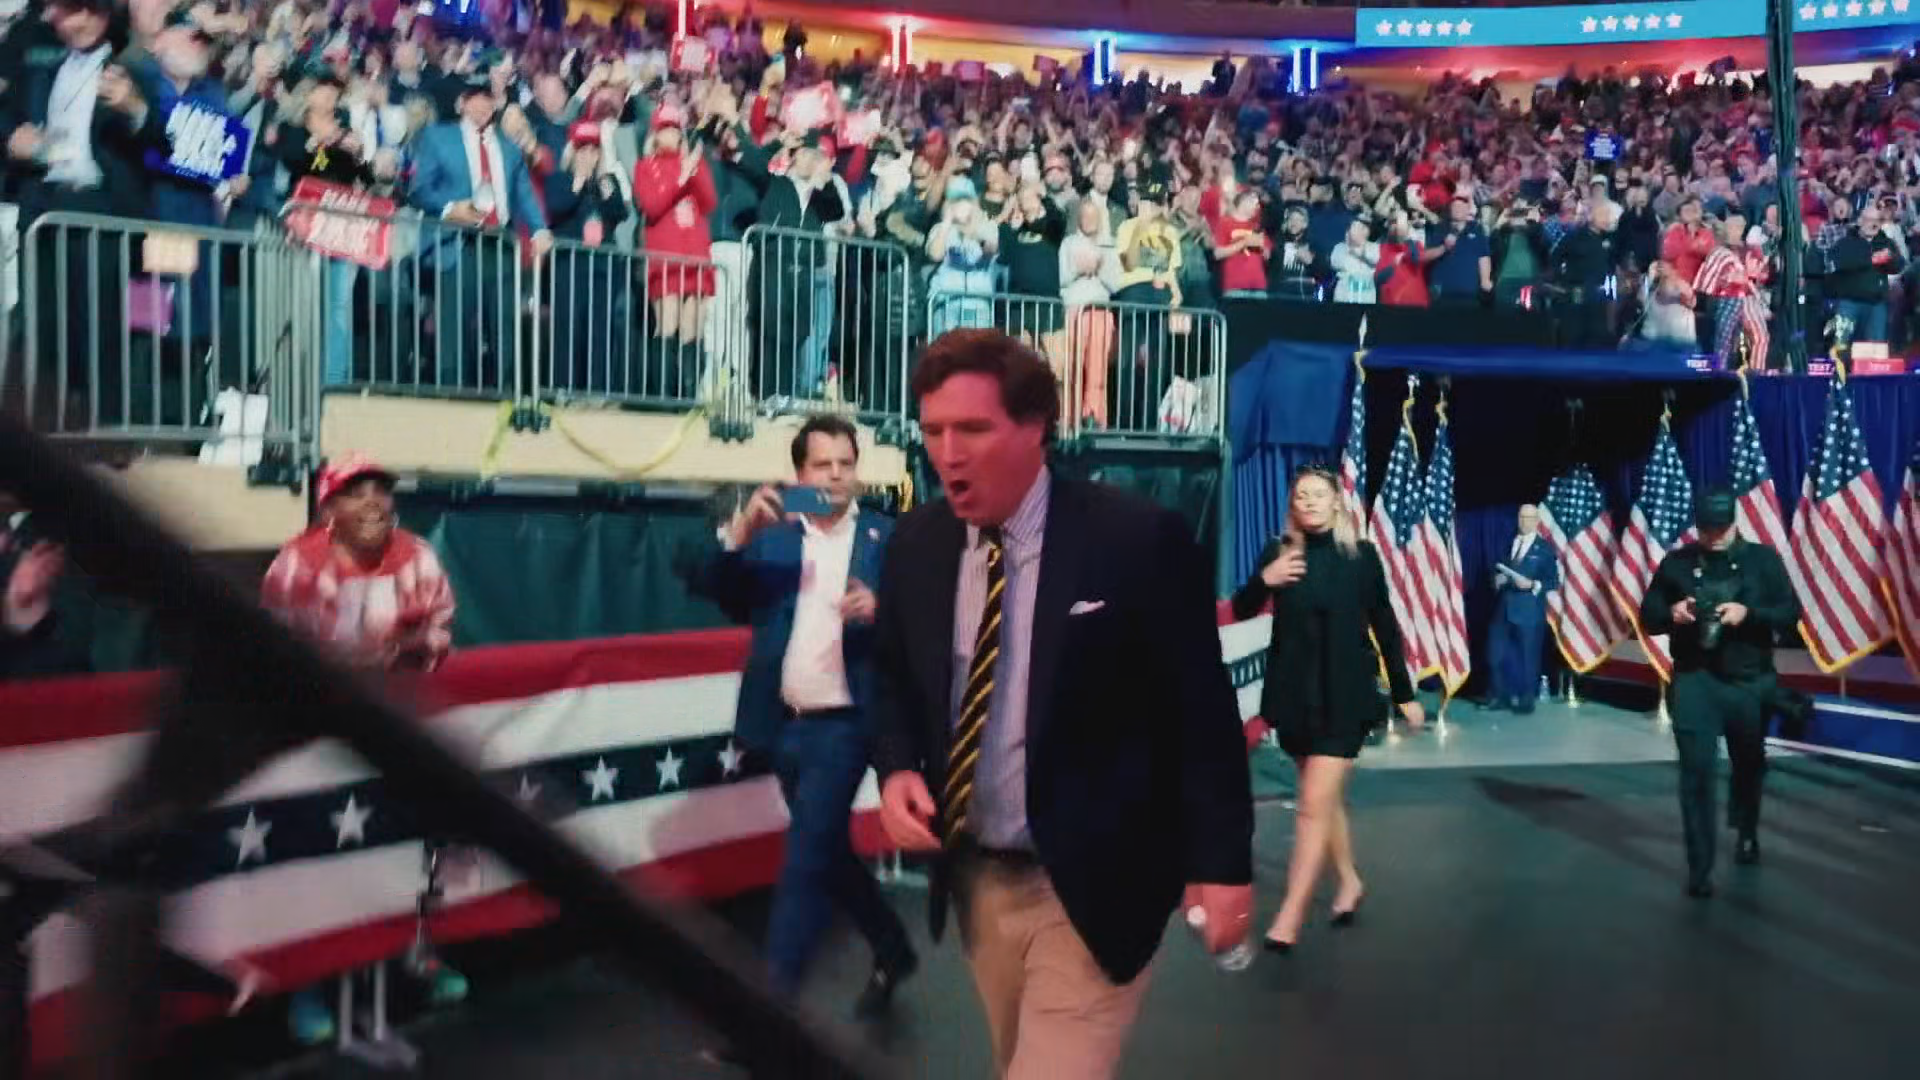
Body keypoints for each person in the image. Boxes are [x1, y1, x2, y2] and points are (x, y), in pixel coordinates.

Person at [871, 329, 1253, 1079]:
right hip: (980, 882)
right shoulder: (916, 546)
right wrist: (896, 768)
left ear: (1037, 427)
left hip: (1097, 884)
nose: (948, 453)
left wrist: (1224, 864)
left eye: (973, 428)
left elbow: (1201, 715)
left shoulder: (1137, 540)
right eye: (934, 431)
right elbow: (890, 677)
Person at [688, 415, 918, 1013]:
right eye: (823, 465)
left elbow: (931, 620)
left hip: (848, 725)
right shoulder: (776, 536)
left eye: (846, 464)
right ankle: (892, 946)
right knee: (828, 854)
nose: (837, 476)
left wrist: (885, 608)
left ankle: (766, 1015)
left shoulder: (889, 537)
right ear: (800, 475)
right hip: (785, 725)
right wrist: (739, 536)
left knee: (802, 864)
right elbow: (717, 592)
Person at [260, 453, 462, 1043]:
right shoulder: (296, 565)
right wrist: (356, 663)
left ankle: (418, 957)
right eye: (356, 491)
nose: (373, 500)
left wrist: (419, 644)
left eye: (381, 489)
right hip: (320, 734)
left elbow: (442, 630)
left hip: (397, 727)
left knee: (412, 849)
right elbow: (271, 654)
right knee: (320, 857)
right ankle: (309, 984)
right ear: (329, 508)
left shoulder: (418, 556)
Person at [1230, 465, 1425, 951]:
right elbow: (1241, 610)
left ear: (1337, 501)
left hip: (1346, 696)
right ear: (1292, 505)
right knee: (1324, 799)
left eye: (1319, 494)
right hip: (1295, 698)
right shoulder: (1279, 553)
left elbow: (1385, 624)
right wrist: (1265, 579)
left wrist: (1404, 693)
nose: (1310, 502)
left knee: (1312, 807)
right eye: (1302, 495)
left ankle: (1290, 916)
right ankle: (1349, 880)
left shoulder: (1360, 556)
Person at [1638, 487, 1798, 899]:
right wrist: (1672, 613)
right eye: (1707, 528)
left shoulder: (1763, 560)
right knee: (1696, 772)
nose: (1714, 536)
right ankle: (1700, 867)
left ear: (1734, 522)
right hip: (1696, 680)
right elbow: (1648, 616)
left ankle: (1746, 829)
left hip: (1748, 681)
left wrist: (1749, 614)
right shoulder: (1677, 563)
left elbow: (1789, 613)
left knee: (1749, 764)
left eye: (1721, 528)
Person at [1485, 504, 1559, 713]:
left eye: (1529, 518)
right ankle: (1500, 696)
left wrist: (1533, 584)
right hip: (1503, 609)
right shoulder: (1508, 542)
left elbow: (1553, 581)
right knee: (1495, 654)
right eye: (1521, 517)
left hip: (1529, 612)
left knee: (1528, 658)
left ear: (1536, 521)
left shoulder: (1544, 549)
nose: (1525, 522)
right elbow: (1496, 569)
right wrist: (1496, 580)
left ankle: (1527, 701)